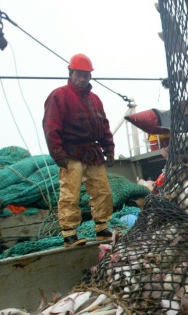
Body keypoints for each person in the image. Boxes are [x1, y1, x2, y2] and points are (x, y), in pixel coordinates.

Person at [43, 53, 115, 247]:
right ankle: (69, 233)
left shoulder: (95, 100)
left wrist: (109, 149)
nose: (83, 78)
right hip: (71, 154)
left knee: (103, 191)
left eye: (86, 74)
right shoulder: (59, 96)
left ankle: (102, 227)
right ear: (71, 72)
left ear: (90, 76)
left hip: (93, 153)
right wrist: (58, 154)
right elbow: (51, 127)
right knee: (70, 194)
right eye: (79, 74)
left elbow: (104, 126)